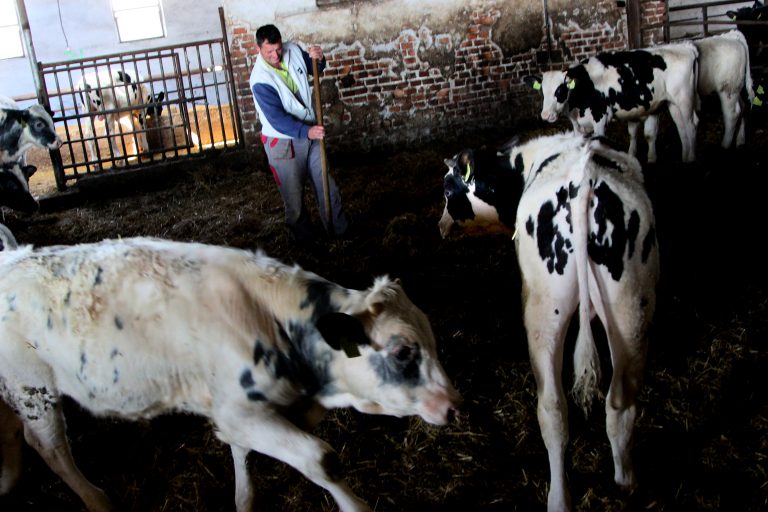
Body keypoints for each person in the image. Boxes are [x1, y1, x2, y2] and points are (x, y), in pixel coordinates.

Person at [249, 24, 348, 242]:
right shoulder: (259, 80)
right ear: (258, 49)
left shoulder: (292, 50)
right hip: (283, 142)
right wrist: (307, 131)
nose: (275, 55)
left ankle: (339, 234)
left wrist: (318, 59)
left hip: (310, 132)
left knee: (326, 184)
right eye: (269, 52)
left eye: (277, 49)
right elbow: (278, 119)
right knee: (294, 199)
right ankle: (306, 244)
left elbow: (314, 69)